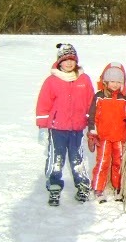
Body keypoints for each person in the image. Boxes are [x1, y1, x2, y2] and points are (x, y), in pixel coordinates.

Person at [36, 43, 94, 206]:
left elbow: (91, 102)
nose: (69, 63)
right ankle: (54, 186)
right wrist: (42, 126)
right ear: (59, 62)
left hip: (77, 128)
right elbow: (43, 104)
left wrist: (90, 122)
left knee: (77, 159)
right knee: (56, 158)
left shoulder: (84, 79)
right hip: (57, 128)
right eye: (65, 60)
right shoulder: (52, 81)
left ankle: (82, 186)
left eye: (72, 60)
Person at [87, 62, 126, 203]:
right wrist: (92, 133)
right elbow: (92, 117)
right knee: (102, 162)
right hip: (103, 137)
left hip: (120, 137)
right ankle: (98, 188)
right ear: (105, 82)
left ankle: (118, 187)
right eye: (112, 81)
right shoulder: (99, 97)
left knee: (119, 163)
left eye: (118, 82)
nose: (115, 84)